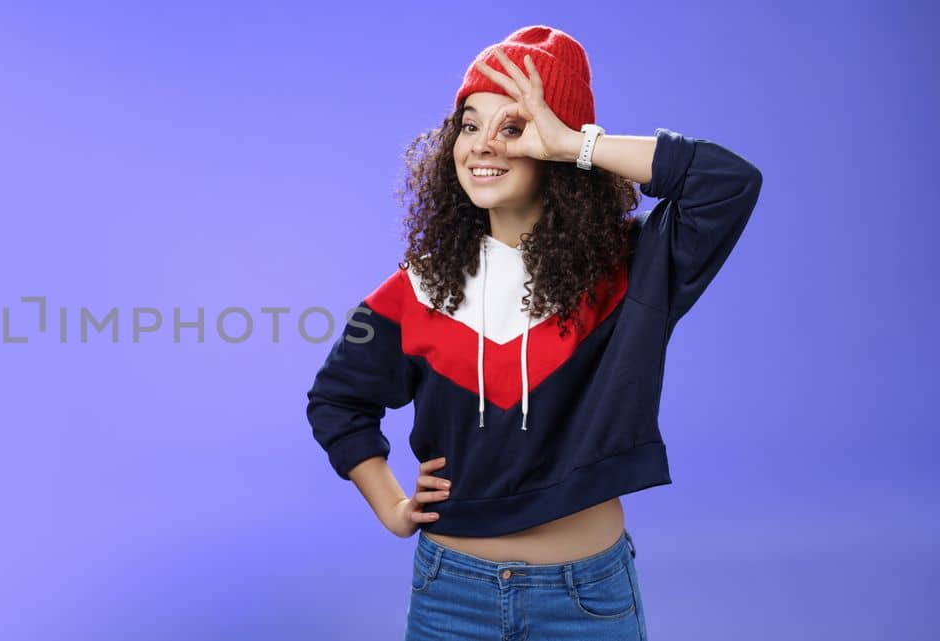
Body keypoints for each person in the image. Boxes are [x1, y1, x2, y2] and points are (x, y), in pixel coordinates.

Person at [304, 25, 762, 640]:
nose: (481, 146)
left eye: (512, 127)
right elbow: (336, 399)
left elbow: (726, 182)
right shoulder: (417, 289)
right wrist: (389, 503)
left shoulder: (637, 270)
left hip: (586, 601)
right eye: (469, 125)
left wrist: (576, 143)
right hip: (449, 596)